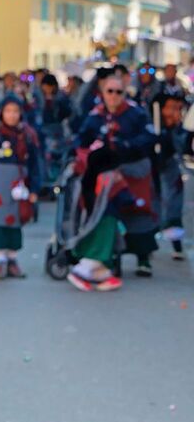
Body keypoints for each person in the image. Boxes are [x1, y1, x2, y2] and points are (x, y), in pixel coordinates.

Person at [74, 74, 158, 278]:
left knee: (138, 212)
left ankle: (143, 257)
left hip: (132, 168)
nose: (113, 96)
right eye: (109, 91)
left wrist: (127, 144)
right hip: (106, 173)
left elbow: (149, 136)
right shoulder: (95, 115)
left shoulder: (135, 113)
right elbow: (82, 138)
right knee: (105, 212)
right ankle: (107, 255)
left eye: (118, 91)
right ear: (103, 93)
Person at [0, 94, 41, 280]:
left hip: (17, 186)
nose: (12, 115)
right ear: (1, 113)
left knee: (15, 221)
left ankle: (12, 260)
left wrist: (35, 188)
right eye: (8, 111)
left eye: (15, 111)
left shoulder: (27, 136)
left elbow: (35, 164)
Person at [151, 91, 188, 261]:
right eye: (172, 108)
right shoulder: (152, 127)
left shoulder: (178, 129)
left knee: (173, 204)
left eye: (178, 108)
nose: (175, 112)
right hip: (153, 172)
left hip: (170, 172)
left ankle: (176, 244)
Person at [38, 72, 73, 189]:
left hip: (57, 132)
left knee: (56, 158)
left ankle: (54, 183)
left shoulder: (61, 98)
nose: (47, 89)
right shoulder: (38, 98)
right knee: (44, 159)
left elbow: (67, 112)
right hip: (43, 133)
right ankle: (45, 183)